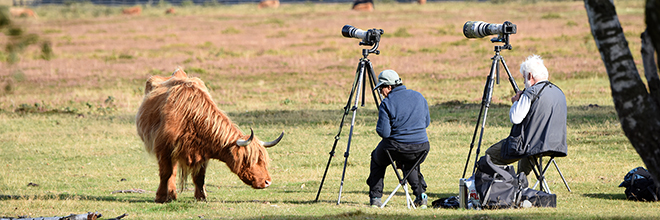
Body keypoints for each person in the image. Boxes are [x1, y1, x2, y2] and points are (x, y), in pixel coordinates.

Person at [485, 54, 567, 175]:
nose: (524, 82)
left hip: (531, 146)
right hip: (556, 145)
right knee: (530, 151)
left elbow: (515, 118)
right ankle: (521, 183)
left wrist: (516, 102)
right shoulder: (559, 92)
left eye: (524, 78)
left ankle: (505, 185)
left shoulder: (531, 92)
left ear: (530, 76)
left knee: (489, 156)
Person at [366, 69, 431, 209]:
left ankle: (376, 198)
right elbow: (426, 123)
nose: (381, 92)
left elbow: (384, 133)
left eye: (382, 88)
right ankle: (421, 196)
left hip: (396, 148)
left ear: (389, 87)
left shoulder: (387, 103)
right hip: (422, 148)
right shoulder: (419, 96)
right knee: (410, 162)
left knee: (377, 159)